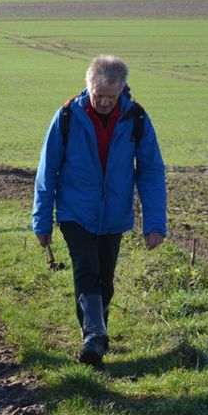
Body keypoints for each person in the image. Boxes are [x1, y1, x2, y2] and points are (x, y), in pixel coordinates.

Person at [32, 55, 167, 367]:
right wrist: (42, 220)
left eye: (111, 96)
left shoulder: (137, 119)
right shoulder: (67, 116)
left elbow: (150, 171)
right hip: (74, 211)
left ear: (122, 89)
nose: (104, 102)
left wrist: (155, 223)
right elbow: (47, 168)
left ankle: (95, 337)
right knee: (87, 270)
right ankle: (93, 335)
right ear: (87, 86)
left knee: (105, 280)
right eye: (98, 95)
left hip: (114, 215)